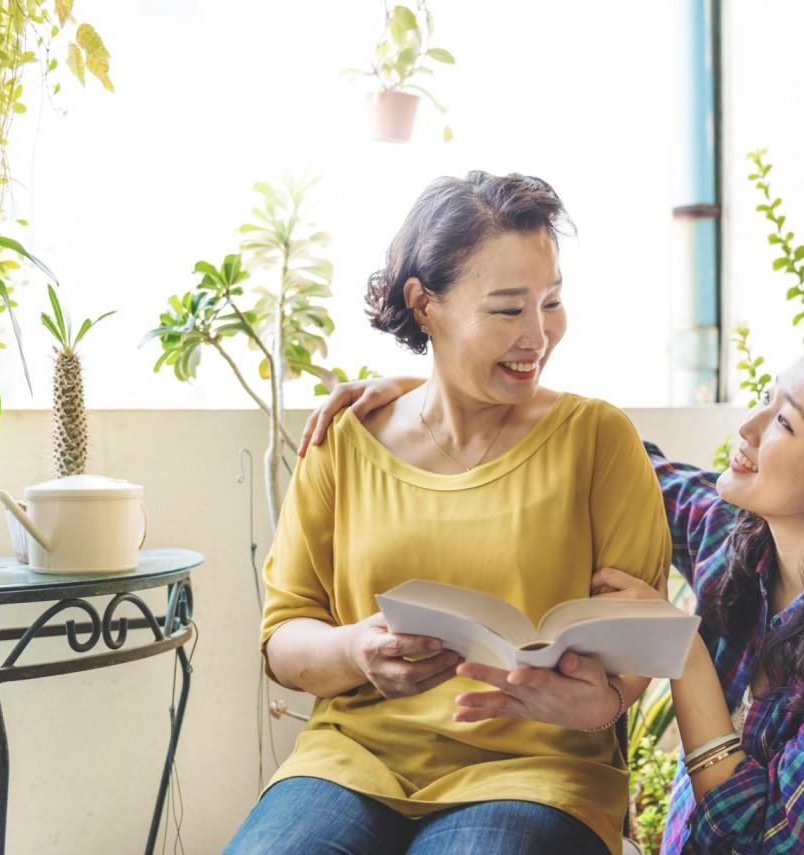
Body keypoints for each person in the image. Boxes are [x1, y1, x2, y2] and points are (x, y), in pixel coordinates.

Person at [302, 331, 804, 852]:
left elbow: (760, 836)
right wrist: (429, 395)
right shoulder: (733, 535)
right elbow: (608, 455)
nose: (746, 427)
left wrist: (681, 650)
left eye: (783, 421)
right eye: (767, 399)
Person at [223, 171, 672, 855]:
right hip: (350, 763)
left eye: (550, 302)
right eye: (506, 309)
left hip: (537, 774)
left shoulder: (597, 439)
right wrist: (355, 651)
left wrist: (605, 700)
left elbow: (637, 642)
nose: (537, 335)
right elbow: (284, 639)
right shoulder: (346, 440)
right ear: (424, 304)